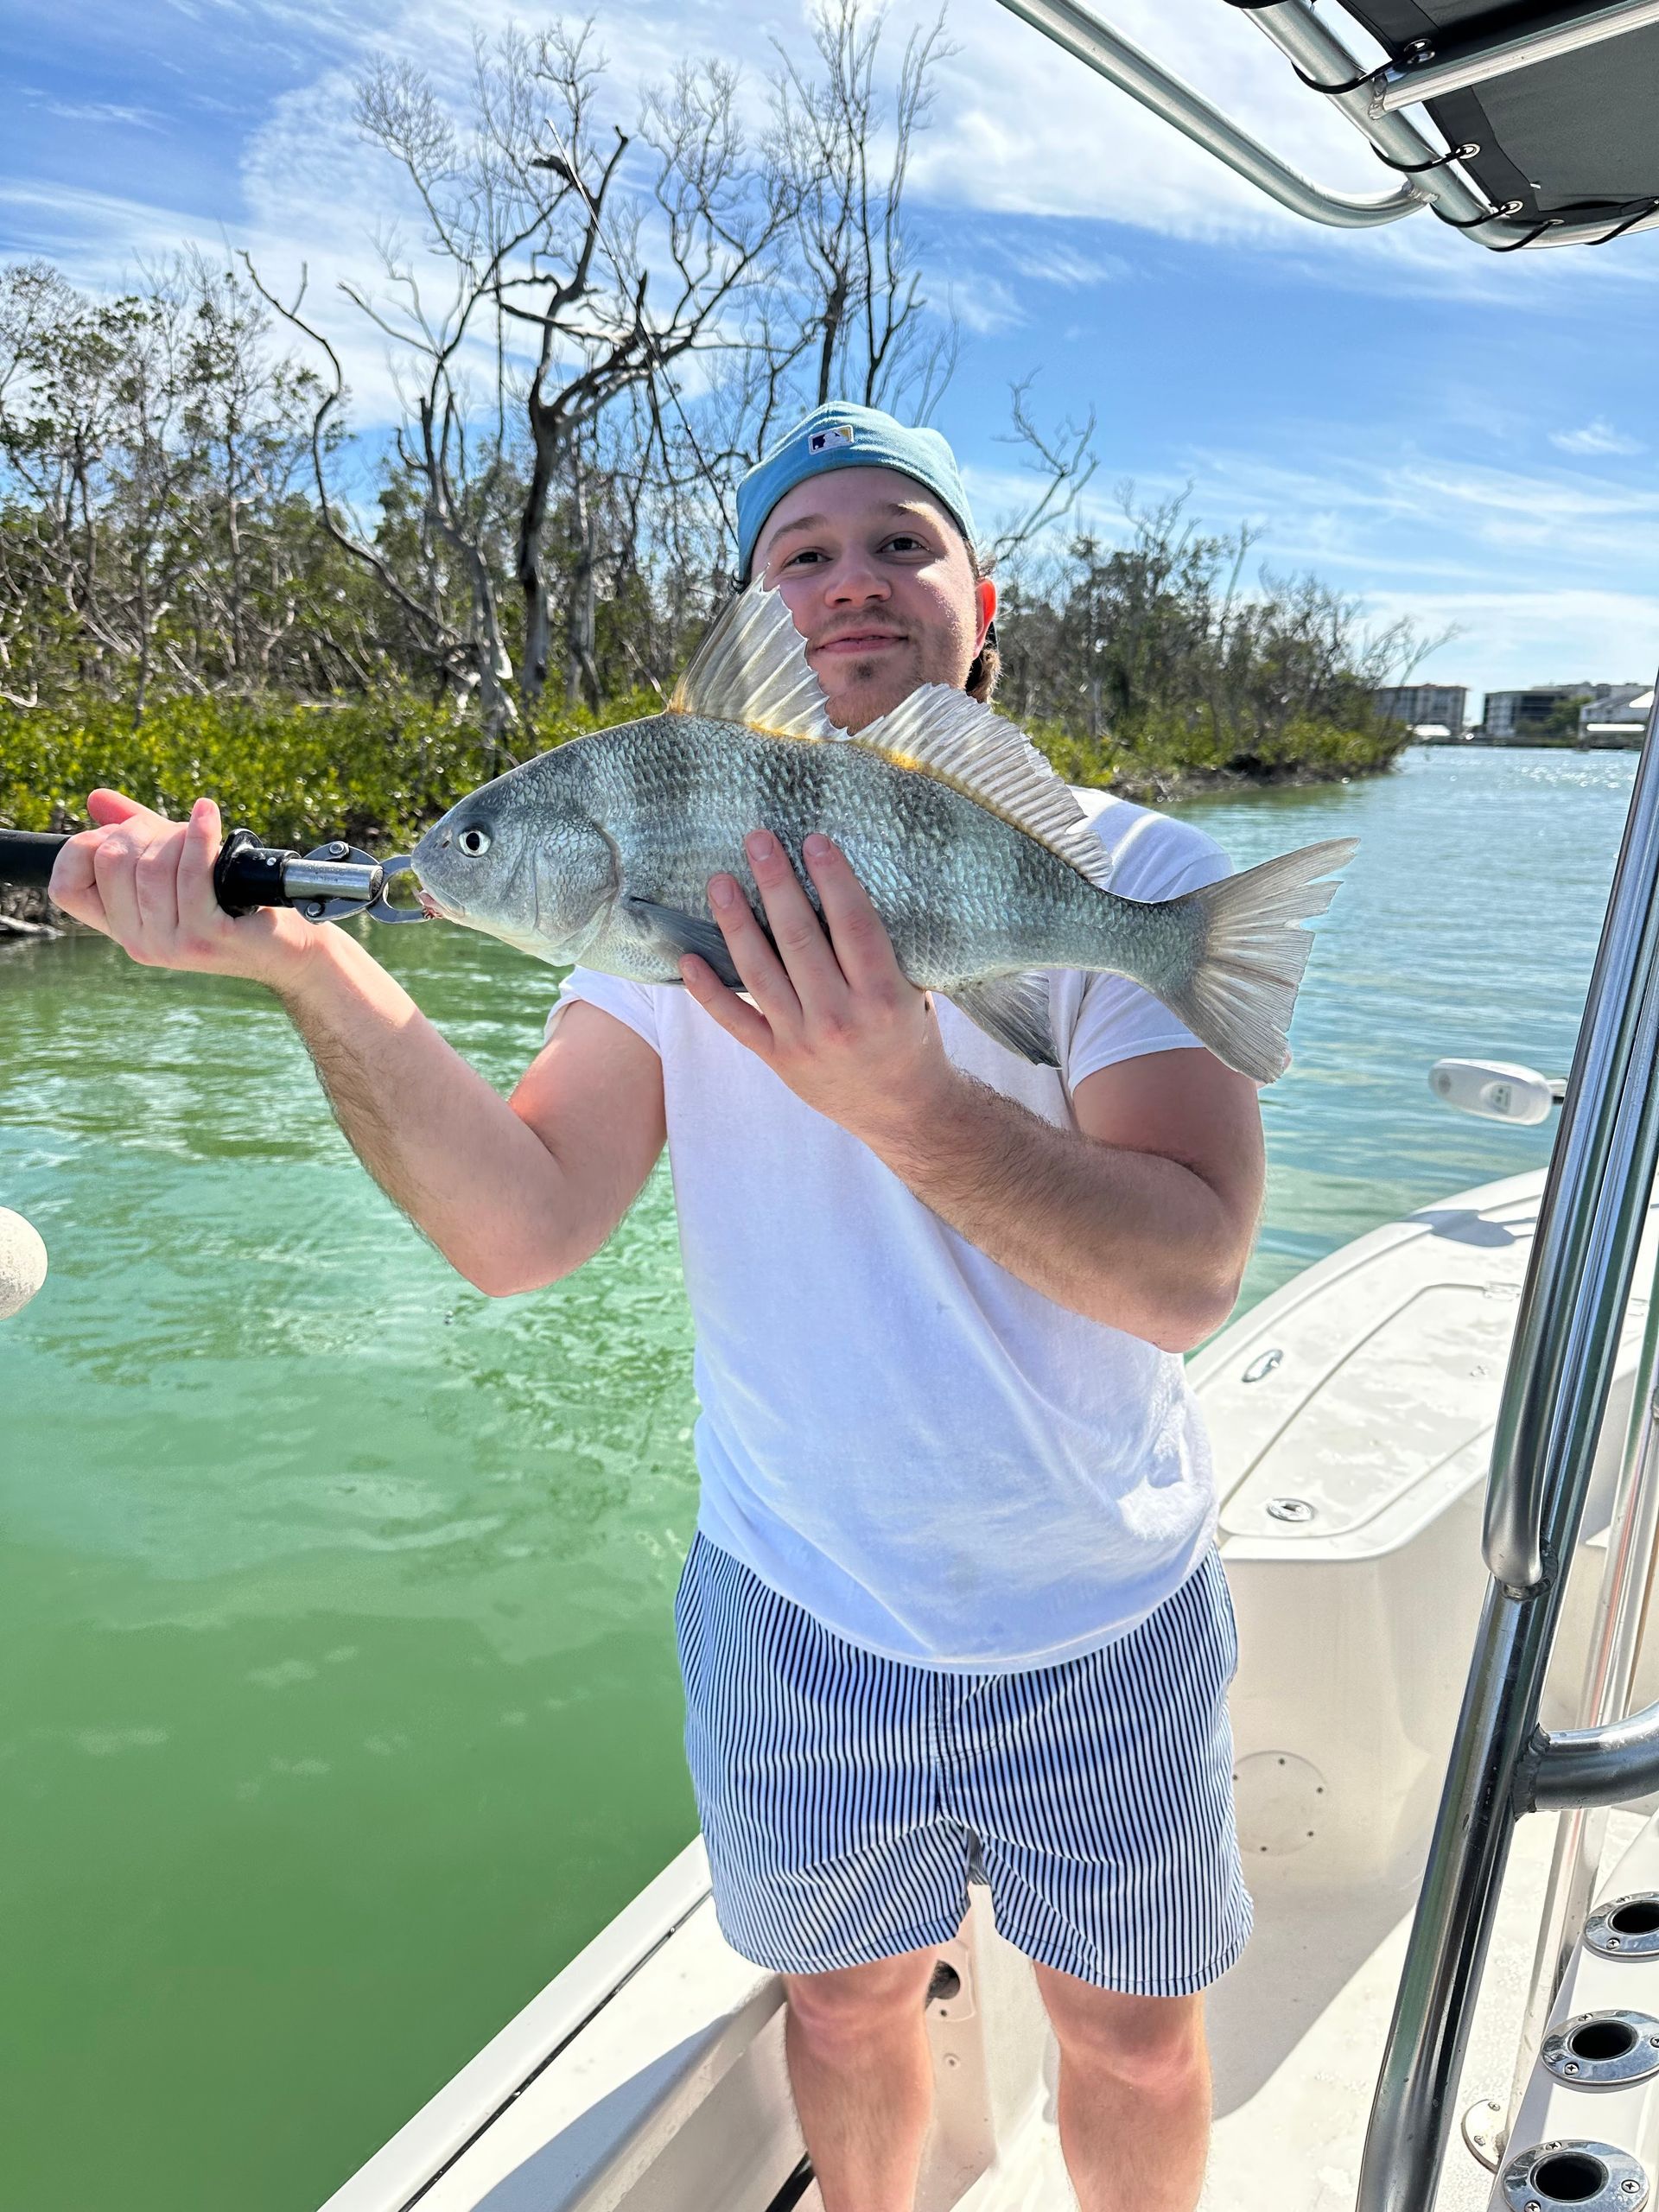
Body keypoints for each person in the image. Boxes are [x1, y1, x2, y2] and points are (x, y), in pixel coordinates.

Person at [48, 400, 1264, 2212]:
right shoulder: (658, 910)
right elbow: (522, 1226)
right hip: (797, 1603)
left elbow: (1187, 1274)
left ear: (978, 600)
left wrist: (908, 1099)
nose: (852, 580)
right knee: (844, 2008)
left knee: (1134, 2036)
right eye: (803, 553)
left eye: (899, 542)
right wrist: (301, 961)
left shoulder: (1134, 879)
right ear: (760, 611)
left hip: (1104, 1605)